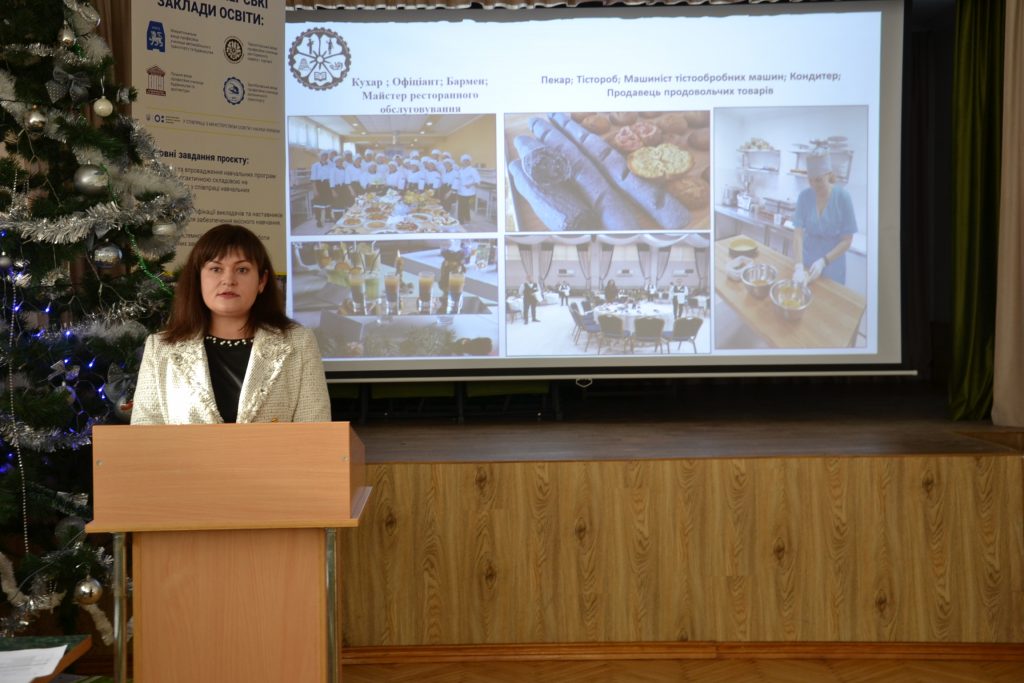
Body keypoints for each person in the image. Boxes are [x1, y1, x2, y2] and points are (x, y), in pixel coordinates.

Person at [131, 224, 331, 425]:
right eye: (216, 269)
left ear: (261, 281)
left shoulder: (299, 343)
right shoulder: (160, 348)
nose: (228, 280)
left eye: (242, 270)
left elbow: (316, 432)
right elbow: (144, 436)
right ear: (198, 279)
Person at [791, 152, 856, 285]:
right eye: (810, 180)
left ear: (829, 174)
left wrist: (823, 262)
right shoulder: (804, 197)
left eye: (818, 180)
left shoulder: (843, 198)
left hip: (832, 266)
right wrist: (798, 266)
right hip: (807, 263)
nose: (814, 185)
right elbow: (798, 234)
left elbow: (847, 240)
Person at [309, 150, 333, 228]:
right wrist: (315, 190)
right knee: (318, 204)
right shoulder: (315, 165)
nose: (325, 157)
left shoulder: (330, 165)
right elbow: (313, 179)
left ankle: (328, 217)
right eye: (323, 155)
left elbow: (331, 176)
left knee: (328, 202)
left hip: (327, 185)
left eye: (326, 155)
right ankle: (318, 220)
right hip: (319, 185)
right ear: (320, 157)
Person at [456, 153, 480, 225]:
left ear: (470, 162)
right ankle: (467, 218)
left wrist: (470, 184)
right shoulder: (460, 170)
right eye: (464, 161)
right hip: (460, 190)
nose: (465, 162)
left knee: (462, 206)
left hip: (468, 191)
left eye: (467, 160)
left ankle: (460, 220)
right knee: (465, 205)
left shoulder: (473, 170)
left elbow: (478, 181)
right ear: (462, 162)